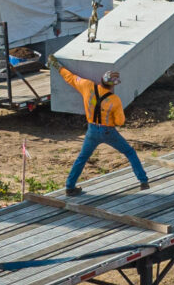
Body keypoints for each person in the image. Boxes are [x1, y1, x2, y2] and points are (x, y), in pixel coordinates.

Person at [58, 67, 150, 196]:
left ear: (101, 80)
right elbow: (120, 121)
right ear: (112, 86)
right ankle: (143, 182)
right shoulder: (114, 100)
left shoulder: (87, 86)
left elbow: (71, 78)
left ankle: (69, 187)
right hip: (108, 131)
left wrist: (58, 67)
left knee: (82, 158)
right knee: (129, 152)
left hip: (92, 130)